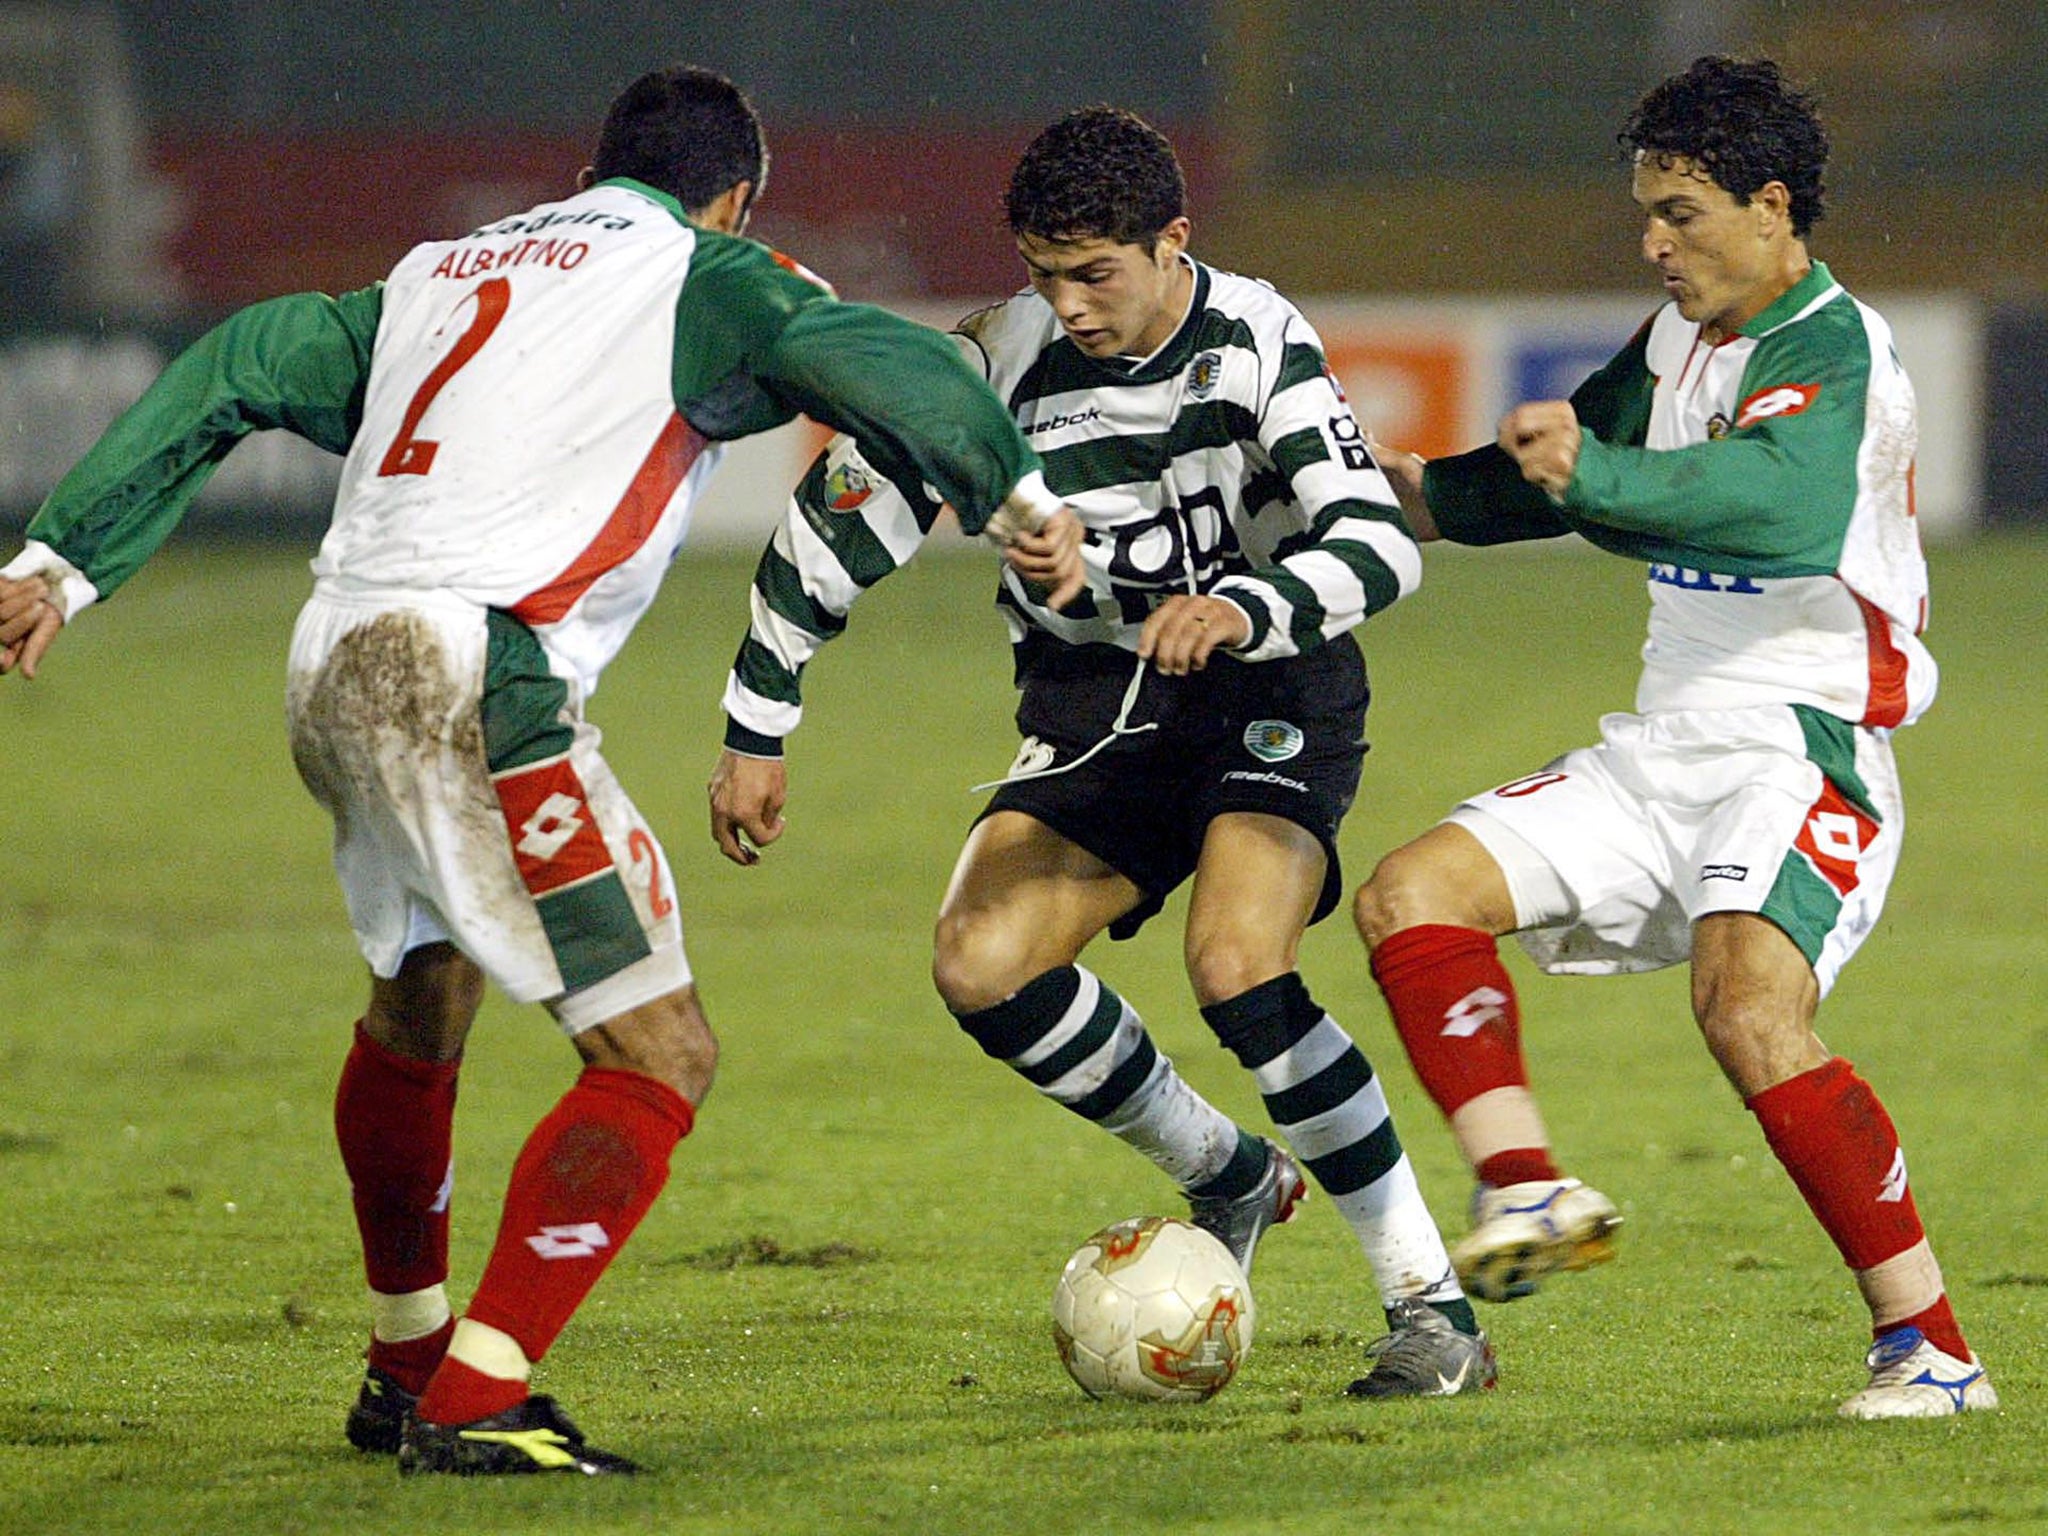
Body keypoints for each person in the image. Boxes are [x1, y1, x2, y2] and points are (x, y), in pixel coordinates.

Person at [0, 64, 1082, 1475]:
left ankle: (404, 1363)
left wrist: (57, 557)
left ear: (589, 170)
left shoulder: (440, 272)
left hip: (332, 654)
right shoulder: (710, 272)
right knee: (658, 1051)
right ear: (736, 194)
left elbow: (235, 363)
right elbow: (893, 364)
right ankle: (476, 1394)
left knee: (420, 994)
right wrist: (1015, 493)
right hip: (475, 672)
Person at [709, 106, 1495, 1398]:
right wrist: (757, 727)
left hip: (1269, 686)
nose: (1068, 305)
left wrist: (1243, 603)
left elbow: (1377, 542)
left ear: (1172, 242)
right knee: (980, 962)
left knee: (1238, 967)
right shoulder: (995, 365)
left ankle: (1432, 1310)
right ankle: (1226, 1174)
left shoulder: (1253, 338)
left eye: (1096, 273)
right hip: (1099, 709)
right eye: (1044, 273)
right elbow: (836, 527)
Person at [1352, 55, 1995, 1419]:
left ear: (1773, 207)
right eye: (1648, 209)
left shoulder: (1839, 352)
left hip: (1806, 747)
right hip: (1664, 749)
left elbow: (1772, 508)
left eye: (1684, 210)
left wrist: (1597, 480)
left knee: (1748, 1008)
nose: (1655, 241)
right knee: (1414, 894)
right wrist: (1401, 495)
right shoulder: (1678, 342)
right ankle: (1526, 1184)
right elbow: (1555, 474)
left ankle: (1931, 1348)